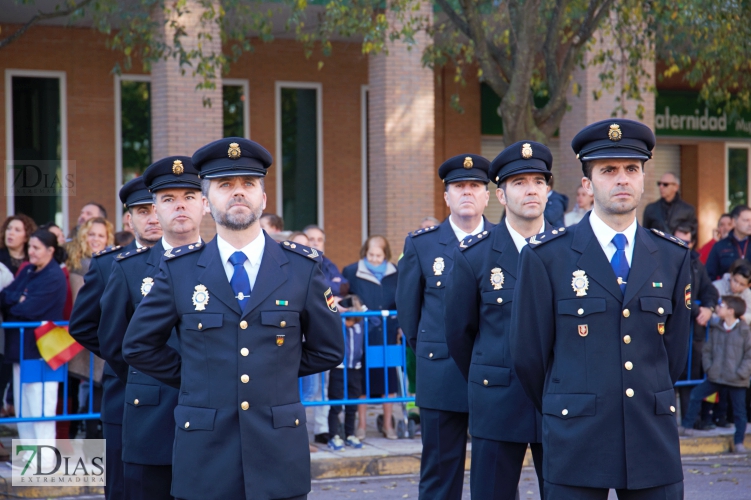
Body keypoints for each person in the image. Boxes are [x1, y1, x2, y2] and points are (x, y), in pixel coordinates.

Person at [122, 137, 344, 500]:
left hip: (278, 452)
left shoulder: (302, 268)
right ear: (207, 203)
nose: (238, 193)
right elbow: (138, 345)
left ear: (263, 199)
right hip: (205, 454)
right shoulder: (180, 270)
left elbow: (330, 348)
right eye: (226, 185)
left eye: (248, 184)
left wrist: (273, 369)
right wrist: (199, 374)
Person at [510, 119, 692, 498]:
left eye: (631, 169)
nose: (622, 179)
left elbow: (673, 354)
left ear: (643, 179)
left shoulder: (672, 257)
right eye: (608, 170)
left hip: (650, 438)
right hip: (577, 439)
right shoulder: (548, 257)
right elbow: (529, 357)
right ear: (588, 185)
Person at [444, 144, 548, 499]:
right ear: (501, 195)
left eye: (538, 180)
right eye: (519, 182)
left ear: (549, 189)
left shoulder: (571, 250)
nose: (530, 189)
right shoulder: (476, 255)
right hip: (498, 402)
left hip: (561, 403)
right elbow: (460, 335)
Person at [99, 157, 201, 500]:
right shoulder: (129, 268)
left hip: (212, 418)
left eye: (189, 195)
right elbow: (113, 342)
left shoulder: (226, 263)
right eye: (168, 199)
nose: (179, 206)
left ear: (205, 204)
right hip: (150, 415)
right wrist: (148, 379)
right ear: (155, 207)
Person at [396, 152, 493, 499]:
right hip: (441, 375)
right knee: (440, 475)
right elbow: (409, 315)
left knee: (496, 475)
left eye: (475, 186)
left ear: (487, 195)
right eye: (458, 186)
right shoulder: (421, 245)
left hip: (495, 376)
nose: (467, 192)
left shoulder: (506, 242)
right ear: (446, 196)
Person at [69, 177, 159, 500]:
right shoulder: (109, 264)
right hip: (125, 392)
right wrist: (126, 357)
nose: (152, 218)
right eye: (142, 210)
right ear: (128, 219)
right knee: (124, 486)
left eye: (156, 209)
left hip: (176, 398)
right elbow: (81, 324)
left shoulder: (192, 260)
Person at [0, 229, 67, 443]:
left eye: (36, 248)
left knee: (41, 408)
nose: (31, 252)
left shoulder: (54, 276)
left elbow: (28, 309)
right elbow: (4, 296)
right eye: (30, 246)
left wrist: (18, 301)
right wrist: (17, 299)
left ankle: (44, 461)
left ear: (50, 250)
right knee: (24, 409)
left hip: (42, 352)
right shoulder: (28, 270)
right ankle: (27, 459)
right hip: (22, 349)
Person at [343, 235, 400, 440]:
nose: (374, 259)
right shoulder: (352, 272)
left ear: (386, 255)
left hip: (388, 334)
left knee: (389, 383)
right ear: (364, 253)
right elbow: (346, 299)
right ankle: (361, 426)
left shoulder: (396, 272)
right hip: (362, 336)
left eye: (379, 255)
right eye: (371, 254)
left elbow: (401, 301)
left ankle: (388, 425)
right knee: (362, 382)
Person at [679, 295, 751, 453]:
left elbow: (749, 356)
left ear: (731, 311)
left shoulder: (745, 331)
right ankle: (687, 426)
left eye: (722, 305)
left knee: (740, 412)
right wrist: (710, 368)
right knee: (696, 395)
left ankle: (738, 442)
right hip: (717, 375)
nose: (718, 308)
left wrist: (741, 373)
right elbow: (707, 350)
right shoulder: (717, 327)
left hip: (736, 379)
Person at [303, 224, 349, 447]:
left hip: (321, 333)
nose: (314, 243)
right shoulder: (299, 261)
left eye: (319, 239)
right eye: (310, 239)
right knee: (305, 388)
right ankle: (299, 429)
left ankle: (321, 429)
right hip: (301, 333)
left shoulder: (329, 265)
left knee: (323, 383)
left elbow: (337, 288)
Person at [673, 226, 718, 426]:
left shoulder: (696, 263)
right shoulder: (661, 260)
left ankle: (691, 420)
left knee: (692, 374)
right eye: (678, 240)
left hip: (693, 333)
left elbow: (710, 290)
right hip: (670, 331)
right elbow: (674, 295)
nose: (682, 245)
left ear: (692, 243)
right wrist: (696, 311)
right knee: (670, 377)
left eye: (686, 242)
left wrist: (708, 308)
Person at [327, 295, 365, 450]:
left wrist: (360, 307)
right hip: (339, 368)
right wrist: (337, 305)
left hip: (355, 369)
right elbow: (329, 316)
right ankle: (333, 436)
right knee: (336, 404)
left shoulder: (361, 323)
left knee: (352, 405)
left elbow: (376, 321)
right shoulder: (339, 322)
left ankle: (350, 434)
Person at [67, 217, 115, 301]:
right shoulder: (81, 263)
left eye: (101, 236)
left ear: (107, 239)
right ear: (84, 236)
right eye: (91, 234)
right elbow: (78, 303)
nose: (96, 239)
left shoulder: (110, 261)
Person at [705, 206, 751, 280]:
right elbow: (708, 276)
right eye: (746, 220)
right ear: (734, 222)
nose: (750, 224)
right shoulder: (720, 246)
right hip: (726, 290)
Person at [712, 260, 751, 324]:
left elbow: (749, 314)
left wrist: (741, 318)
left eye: (742, 284)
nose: (736, 286)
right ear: (731, 276)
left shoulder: (748, 295)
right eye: (735, 280)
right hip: (716, 328)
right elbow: (709, 309)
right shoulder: (716, 287)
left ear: (748, 285)